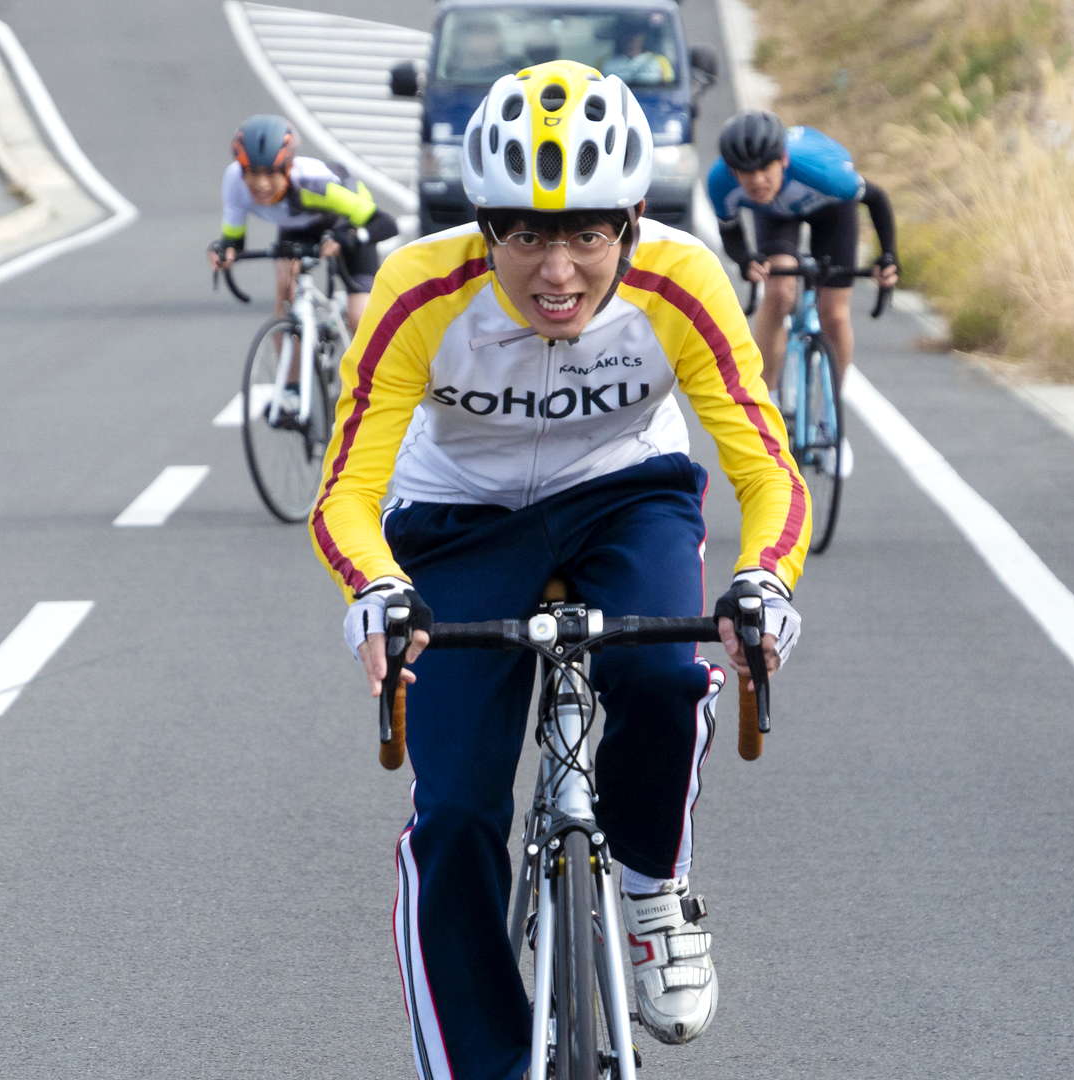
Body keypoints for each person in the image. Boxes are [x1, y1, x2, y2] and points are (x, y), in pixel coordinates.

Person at [309, 60, 807, 1080]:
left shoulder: (682, 280)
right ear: (484, 225)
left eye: (588, 233)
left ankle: (650, 891)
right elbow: (346, 495)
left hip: (624, 493)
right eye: (526, 234)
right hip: (458, 519)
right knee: (452, 818)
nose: (558, 271)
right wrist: (375, 588)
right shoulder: (418, 291)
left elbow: (766, 468)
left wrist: (766, 580)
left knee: (668, 675)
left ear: (631, 220)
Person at [707, 110, 900, 474]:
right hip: (776, 217)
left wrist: (888, 257)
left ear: (782, 159)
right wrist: (747, 260)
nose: (758, 180)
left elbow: (876, 199)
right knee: (778, 291)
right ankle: (769, 400)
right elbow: (731, 232)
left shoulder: (823, 172)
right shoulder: (719, 182)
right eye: (747, 173)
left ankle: (830, 418)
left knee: (834, 312)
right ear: (732, 171)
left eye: (766, 168)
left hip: (831, 209)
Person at [205, 114, 398, 333]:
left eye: (271, 173)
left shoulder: (312, 184)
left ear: (288, 168)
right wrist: (225, 251)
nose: (261, 184)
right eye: (252, 173)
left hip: (347, 225)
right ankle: (289, 366)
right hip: (298, 228)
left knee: (359, 318)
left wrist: (349, 238)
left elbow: (386, 224)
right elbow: (233, 239)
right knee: (285, 302)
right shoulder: (234, 181)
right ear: (241, 169)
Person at [602, 16, 674, 84]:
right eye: (627, 34)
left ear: (644, 37)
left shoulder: (660, 61)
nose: (631, 38)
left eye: (636, 34)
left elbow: (670, 88)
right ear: (620, 37)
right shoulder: (604, 62)